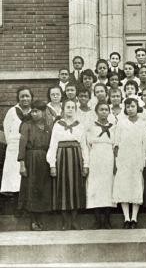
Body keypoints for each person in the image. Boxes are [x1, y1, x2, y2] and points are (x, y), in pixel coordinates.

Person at [47, 99, 88, 230]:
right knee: (63, 189)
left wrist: (86, 164)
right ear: (63, 109)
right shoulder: (57, 125)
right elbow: (52, 145)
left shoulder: (80, 125)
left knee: (76, 188)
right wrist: (52, 164)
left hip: (76, 159)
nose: (70, 109)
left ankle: (74, 221)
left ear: (75, 109)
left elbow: (84, 146)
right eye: (67, 107)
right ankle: (65, 221)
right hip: (62, 159)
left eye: (72, 107)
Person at [18, 100, 52, 231]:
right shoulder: (27, 125)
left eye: (37, 111)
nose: (34, 114)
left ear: (44, 112)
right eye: (32, 111)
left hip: (44, 161)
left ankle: (40, 220)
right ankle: (33, 221)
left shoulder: (49, 128)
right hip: (31, 160)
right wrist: (22, 164)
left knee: (43, 189)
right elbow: (22, 146)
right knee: (31, 189)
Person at [113, 98, 146, 229]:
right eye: (128, 106)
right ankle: (126, 218)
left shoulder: (143, 123)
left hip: (137, 157)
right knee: (124, 186)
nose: (130, 109)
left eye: (132, 106)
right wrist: (117, 160)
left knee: (136, 185)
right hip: (124, 158)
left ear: (137, 107)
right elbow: (116, 143)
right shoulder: (121, 123)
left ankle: (134, 218)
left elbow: (144, 143)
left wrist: (143, 160)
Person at [86, 101, 116, 229]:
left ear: (109, 112)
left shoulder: (114, 127)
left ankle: (107, 220)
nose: (104, 112)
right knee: (95, 187)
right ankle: (97, 220)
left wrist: (115, 162)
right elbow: (87, 145)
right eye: (101, 109)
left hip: (109, 158)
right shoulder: (90, 127)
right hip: (95, 158)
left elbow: (116, 146)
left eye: (106, 110)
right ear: (96, 112)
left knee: (108, 187)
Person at [1, 87, 32, 196]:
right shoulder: (12, 111)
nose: (25, 98)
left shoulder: (33, 112)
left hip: (28, 147)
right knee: (14, 175)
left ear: (31, 98)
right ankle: (14, 198)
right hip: (14, 148)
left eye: (27, 96)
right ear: (18, 98)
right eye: (22, 96)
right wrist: (12, 142)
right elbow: (6, 128)